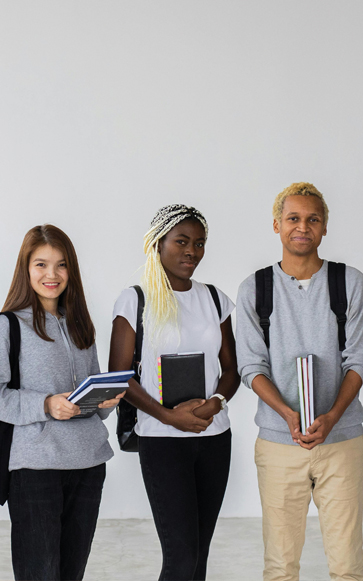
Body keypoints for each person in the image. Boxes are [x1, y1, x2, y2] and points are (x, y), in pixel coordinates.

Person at [235, 183, 363, 581]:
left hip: (342, 439)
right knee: (280, 565)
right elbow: (251, 366)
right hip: (279, 442)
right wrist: (287, 414)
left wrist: (330, 417)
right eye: (293, 218)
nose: (302, 227)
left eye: (313, 219)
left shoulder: (349, 283)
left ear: (325, 227)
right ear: (276, 225)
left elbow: (360, 360)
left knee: (348, 565)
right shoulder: (255, 289)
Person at [0, 224, 122, 581]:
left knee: (72, 573)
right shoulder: (8, 326)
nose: (51, 275)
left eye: (61, 265)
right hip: (34, 468)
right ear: (26, 269)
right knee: (39, 574)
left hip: (88, 464)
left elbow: (91, 400)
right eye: (41, 264)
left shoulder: (80, 324)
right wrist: (45, 404)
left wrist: (107, 401)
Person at [108, 204, 238, 581]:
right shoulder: (135, 300)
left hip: (214, 437)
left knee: (198, 557)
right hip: (162, 440)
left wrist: (215, 404)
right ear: (157, 243)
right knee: (180, 558)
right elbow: (119, 376)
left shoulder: (215, 299)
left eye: (199, 243)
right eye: (181, 241)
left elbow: (231, 369)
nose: (192, 251)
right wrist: (167, 416)